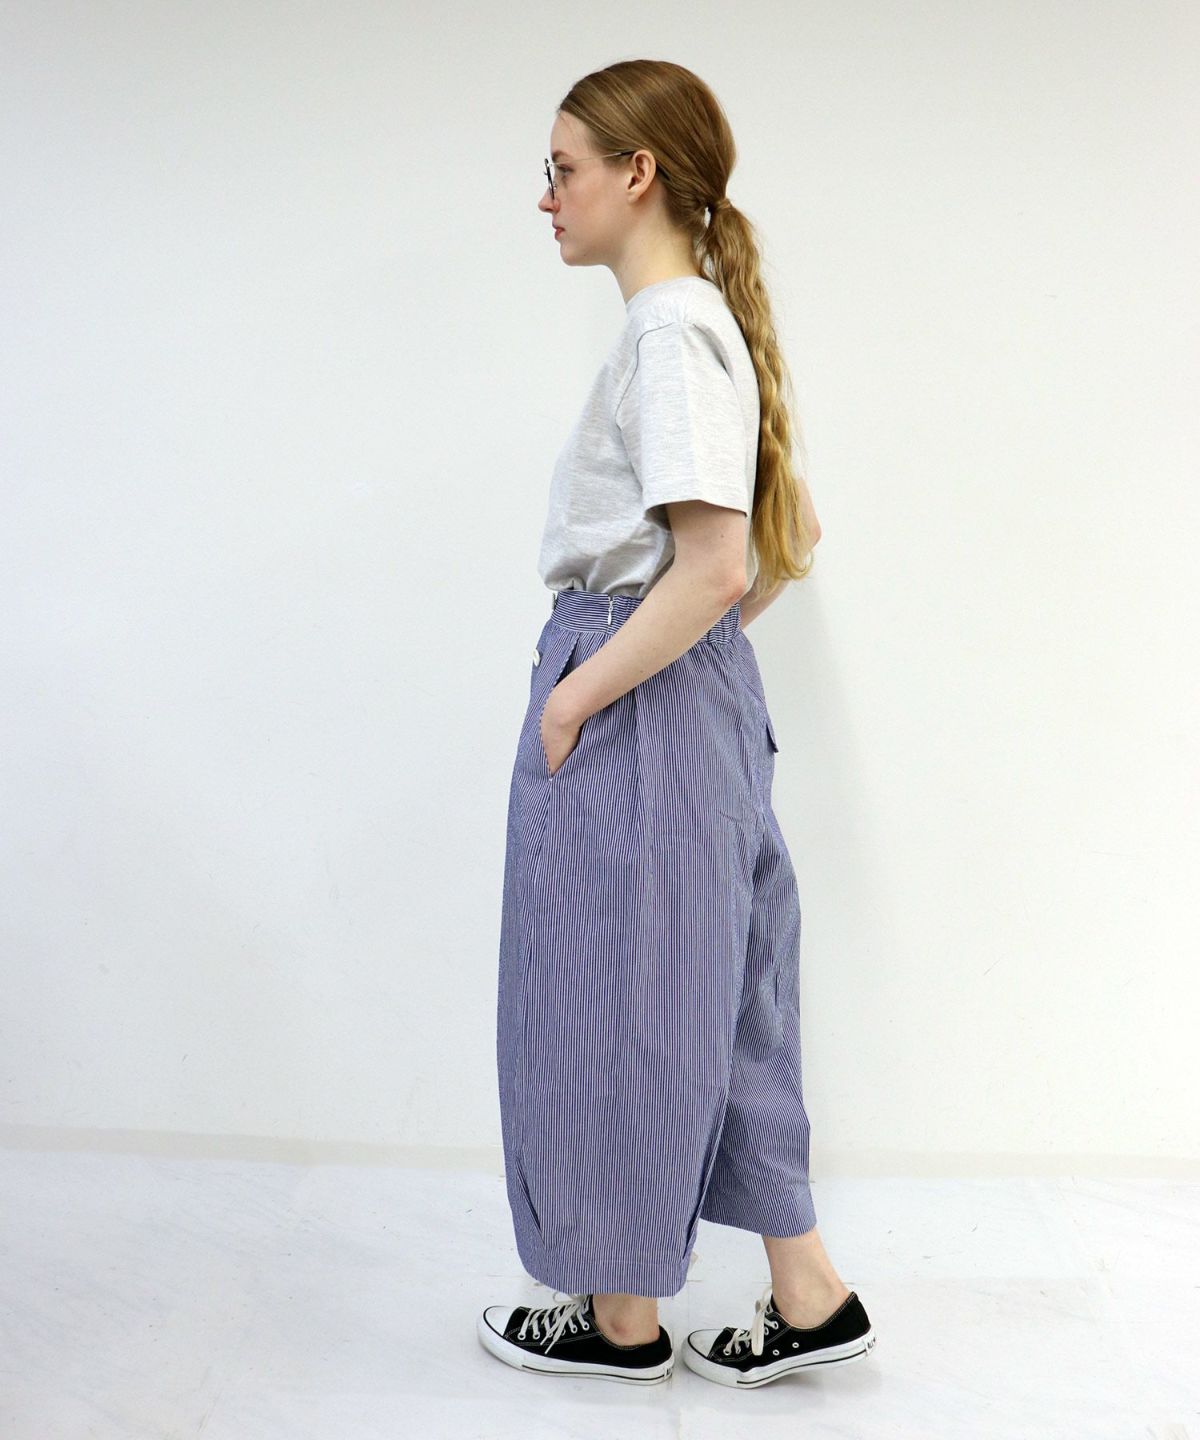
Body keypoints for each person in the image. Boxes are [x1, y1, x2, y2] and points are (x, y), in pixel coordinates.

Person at [476, 59, 877, 1389]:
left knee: (608, 993)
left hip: (630, 688)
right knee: (718, 986)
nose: (547, 197)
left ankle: (620, 1319)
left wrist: (579, 693)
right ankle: (808, 1293)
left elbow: (714, 566)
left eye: (563, 169)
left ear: (636, 173)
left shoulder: (665, 333)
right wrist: (696, 654)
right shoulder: (704, 324)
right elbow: (785, 531)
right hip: (682, 692)